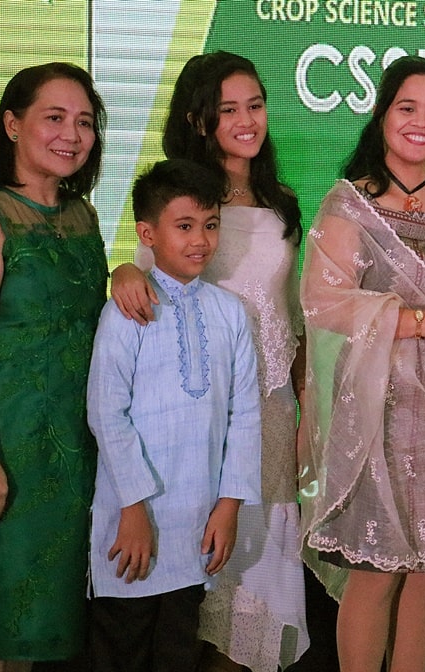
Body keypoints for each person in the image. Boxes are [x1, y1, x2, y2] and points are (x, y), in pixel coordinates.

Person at [298, 55, 425, 672]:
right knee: (377, 574)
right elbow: (323, 300)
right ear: (384, 113)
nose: (421, 122)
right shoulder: (351, 204)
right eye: (407, 108)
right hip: (379, 417)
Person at [111, 50, 309, 672]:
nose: (247, 120)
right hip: (194, 419)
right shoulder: (181, 198)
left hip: (271, 415)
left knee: (259, 578)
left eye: (255, 105)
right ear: (199, 119)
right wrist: (120, 272)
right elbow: (147, 281)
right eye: (229, 109)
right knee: (191, 585)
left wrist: (306, 414)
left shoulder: (282, 203)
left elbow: (293, 316)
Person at [0, 62, 107, 671]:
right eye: (53, 118)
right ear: (11, 124)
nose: (72, 134)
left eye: (84, 122)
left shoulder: (83, 217)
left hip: (66, 457)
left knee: (32, 633)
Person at [86, 158, 261, 672]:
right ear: (148, 233)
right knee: (122, 649)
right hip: (131, 524)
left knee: (179, 652)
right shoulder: (126, 308)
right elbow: (106, 413)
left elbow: (245, 414)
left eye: (210, 225)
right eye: (184, 227)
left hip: (197, 524)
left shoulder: (229, 312)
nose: (201, 241)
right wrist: (134, 509)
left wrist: (228, 507)